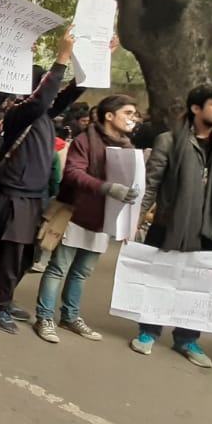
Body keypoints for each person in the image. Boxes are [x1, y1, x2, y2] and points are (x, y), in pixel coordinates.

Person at [132, 83, 212, 368]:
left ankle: (187, 338)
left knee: (201, 285)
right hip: (170, 223)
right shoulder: (169, 140)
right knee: (161, 278)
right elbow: (152, 183)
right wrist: (134, 220)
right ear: (196, 108)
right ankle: (149, 331)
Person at [0, 29, 82, 334]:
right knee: (12, 254)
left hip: (35, 194)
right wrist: (62, 57)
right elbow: (44, 99)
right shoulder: (20, 113)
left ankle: (6, 297)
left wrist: (96, 59)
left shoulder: (44, 114)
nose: (48, 92)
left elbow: (70, 93)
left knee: (28, 255)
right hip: (13, 195)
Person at [33, 95, 139, 344]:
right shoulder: (84, 140)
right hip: (76, 214)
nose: (132, 118)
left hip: (105, 220)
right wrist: (107, 188)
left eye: (134, 114)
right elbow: (72, 174)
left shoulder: (127, 146)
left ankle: (70, 316)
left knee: (81, 273)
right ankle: (44, 317)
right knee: (58, 268)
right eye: (128, 112)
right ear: (109, 116)